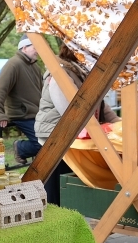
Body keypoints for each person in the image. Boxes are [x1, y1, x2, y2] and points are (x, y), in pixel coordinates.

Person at [35, 44, 120, 204]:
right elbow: (70, 112)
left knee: (68, 190)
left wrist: (120, 125)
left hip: (74, 139)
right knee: (56, 193)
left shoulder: (83, 73)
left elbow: (100, 105)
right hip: (56, 139)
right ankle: (54, 223)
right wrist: (98, 129)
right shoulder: (61, 73)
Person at [0, 36, 43, 164]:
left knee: (52, 142)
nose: (38, 51)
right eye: (35, 47)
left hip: (35, 114)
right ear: (24, 48)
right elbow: (0, 89)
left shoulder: (35, 67)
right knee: (43, 144)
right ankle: (19, 148)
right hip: (22, 115)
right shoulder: (13, 64)